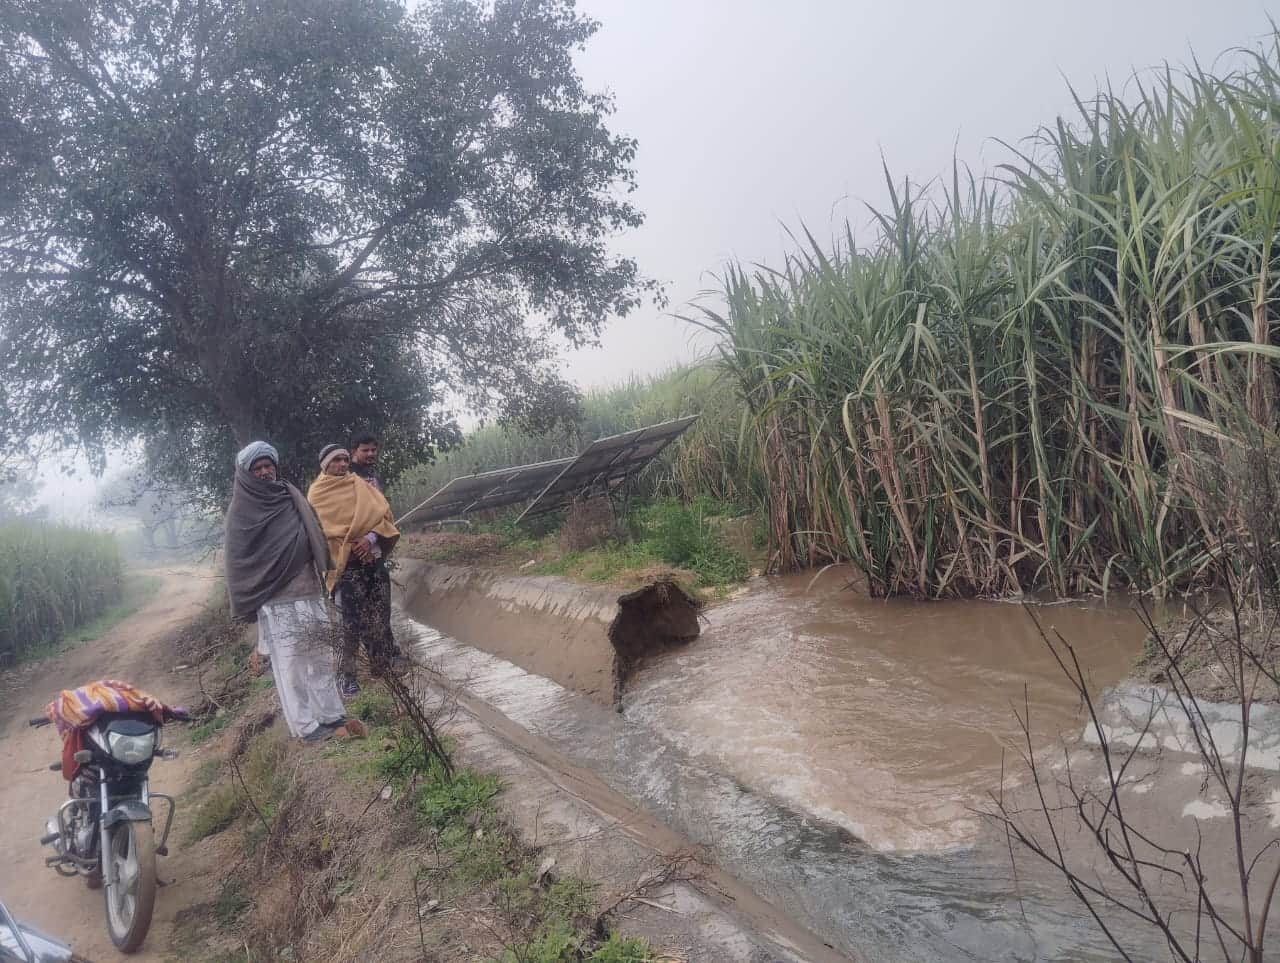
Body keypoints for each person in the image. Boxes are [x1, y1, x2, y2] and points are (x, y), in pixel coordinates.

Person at [223, 441, 365, 743]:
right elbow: (240, 562)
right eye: (257, 468)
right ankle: (305, 726)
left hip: (309, 590)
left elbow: (313, 530)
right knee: (291, 665)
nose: (265, 472)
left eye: (268, 466)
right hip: (277, 601)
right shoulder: (240, 512)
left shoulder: (289, 494)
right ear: (247, 474)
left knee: (322, 656)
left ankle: (330, 714)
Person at [307, 443, 405, 698]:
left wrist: (369, 538)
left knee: (380, 615)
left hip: (372, 561)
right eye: (336, 460)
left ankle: (381, 667)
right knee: (350, 624)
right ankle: (347, 676)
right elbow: (321, 532)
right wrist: (351, 543)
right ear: (325, 464)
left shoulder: (360, 485)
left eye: (344, 459)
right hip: (345, 567)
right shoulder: (316, 494)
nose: (342, 464)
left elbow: (382, 516)